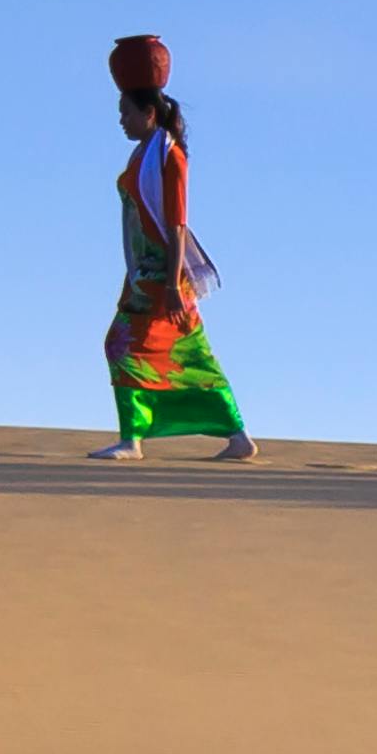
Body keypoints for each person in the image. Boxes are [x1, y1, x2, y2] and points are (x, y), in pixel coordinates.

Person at [94, 33, 255, 464]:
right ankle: (235, 436)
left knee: (131, 346)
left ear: (149, 112)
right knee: (176, 350)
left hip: (165, 276)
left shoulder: (169, 156)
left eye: (126, 112)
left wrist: (169, 284)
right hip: (145, 276)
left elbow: (177, 222)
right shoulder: (144, 154)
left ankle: (134, 440)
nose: (121, 121)